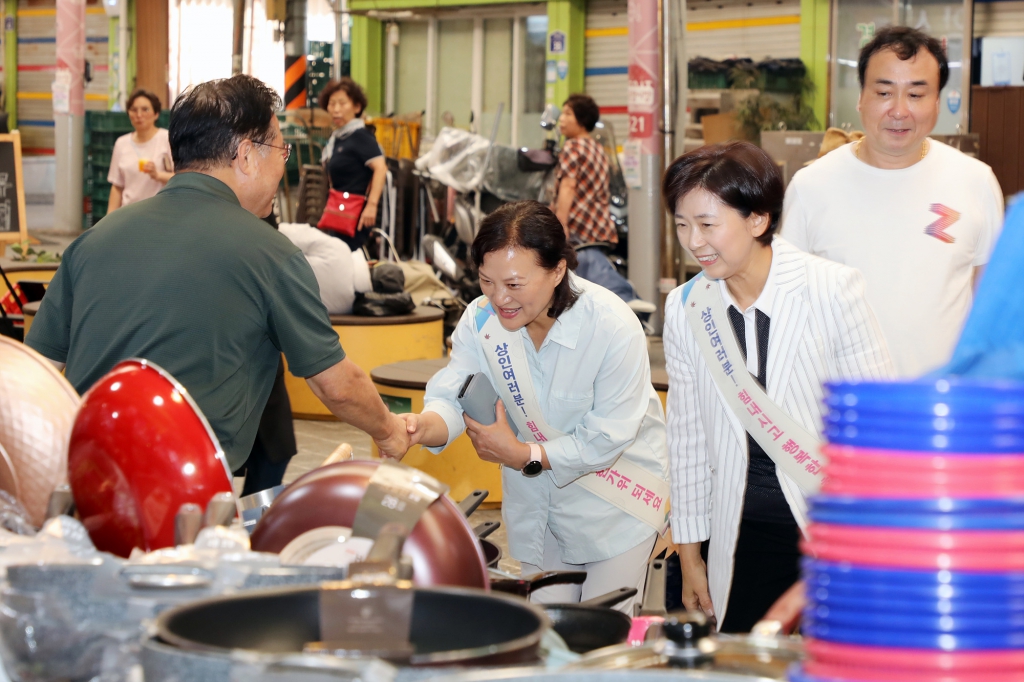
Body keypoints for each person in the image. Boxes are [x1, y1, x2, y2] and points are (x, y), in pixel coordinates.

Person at [26, 75, 410, 473]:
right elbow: (337, 385)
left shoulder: (91, 241)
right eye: (282, 149)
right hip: (177, 500)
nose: (284, 161)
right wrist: (389, 431)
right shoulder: (271, 254)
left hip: (76, 484)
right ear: (246, 155)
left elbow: (35, 374)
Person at [663, 142, 894, 632]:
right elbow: (686, 440)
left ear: (757, 219)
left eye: (708, 224)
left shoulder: (830, 289)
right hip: (736, 532)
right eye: (682, 225)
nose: (693, 241)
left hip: (827, 530)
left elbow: (878, 429)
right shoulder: (687, 308)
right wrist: (689, 555)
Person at [399, 200, 670, 614]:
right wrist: (420, 427)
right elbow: (457, 394)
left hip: (617, 508)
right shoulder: (481, 321)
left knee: (599, 638)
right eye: (486, 281)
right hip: (538, 514)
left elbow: (607, 437)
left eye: (514, 284)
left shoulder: (611, 326)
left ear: (558, 270)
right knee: (547, 637)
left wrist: (522, 454)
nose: (498, 298)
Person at [782, 26, 1004, 378]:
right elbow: (787, 307)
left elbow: (990, 308)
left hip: (940, 403)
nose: (899, 110)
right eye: (884, 91)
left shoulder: (974, 182)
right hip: (842, 407)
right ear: (861, 98)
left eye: (916, 95)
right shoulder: (811, 187)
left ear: (937, 101)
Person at [551, 93, 641, 306]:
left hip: (578, 226)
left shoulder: (573, 147)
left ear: (581, 119)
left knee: (578, 284)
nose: (561, 119)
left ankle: (624, 300)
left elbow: (568, 186)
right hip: (599, 225)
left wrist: (559, 223)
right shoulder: (598, 148)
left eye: (567, 114)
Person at [319, 77, 387, 252]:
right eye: (332, 104)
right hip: (339, 212)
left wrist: (372, 206)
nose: (336, 109)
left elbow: (380, 168)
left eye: (342, 103)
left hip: (357, 216)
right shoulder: (338, 137)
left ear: (357, 107)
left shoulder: (361, 136)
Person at [107, 89, 174, 212]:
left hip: (159, 213)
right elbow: (117, 186)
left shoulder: (167, 139)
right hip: (128, 214)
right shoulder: (121, 143)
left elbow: (180, 177)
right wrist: (107, 221)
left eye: (145, 109)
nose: (139, 115)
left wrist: (157, 175)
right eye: (133, 110)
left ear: (156, 114)